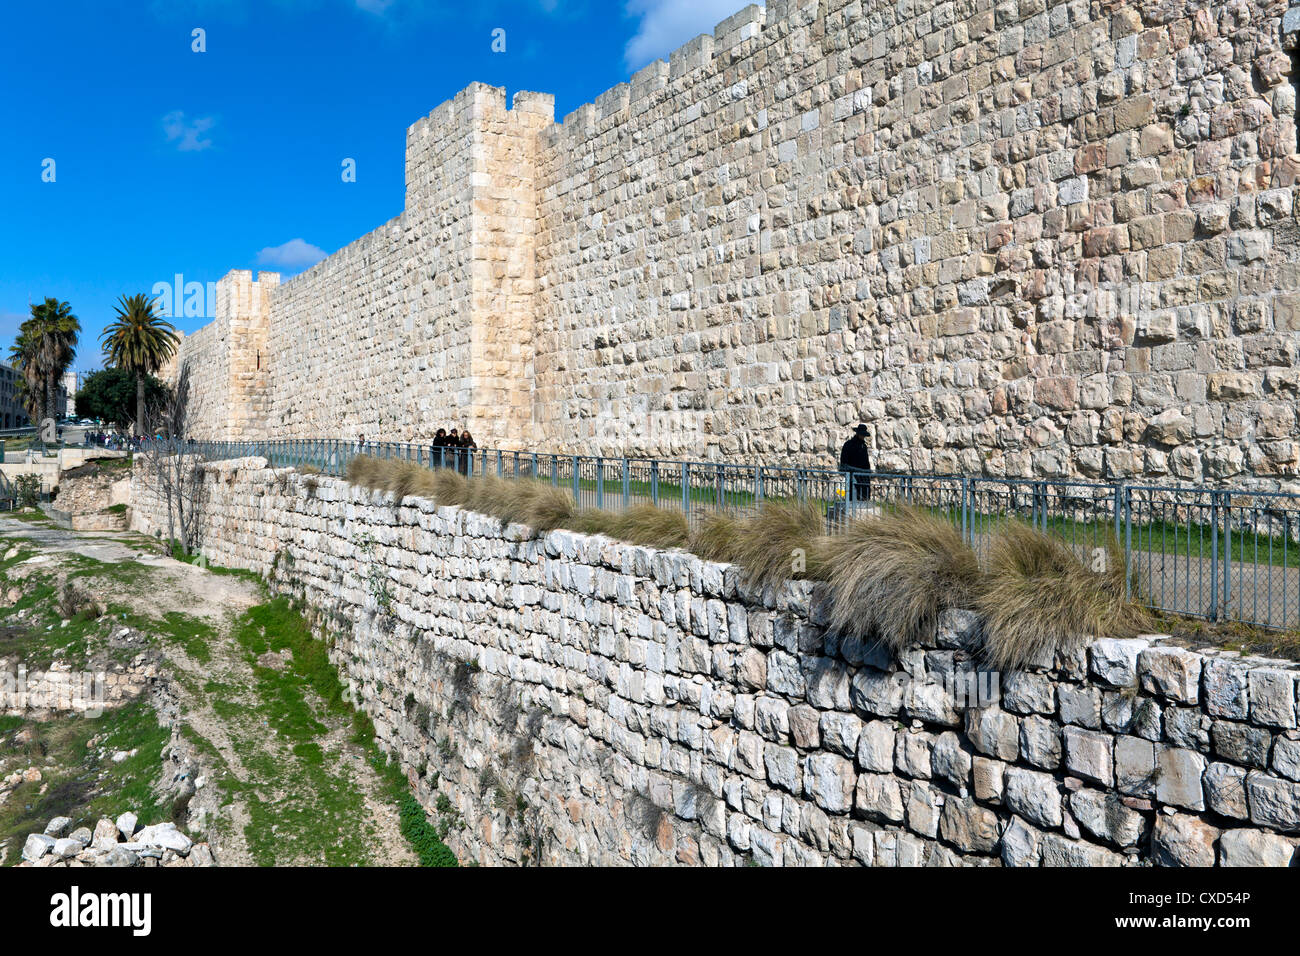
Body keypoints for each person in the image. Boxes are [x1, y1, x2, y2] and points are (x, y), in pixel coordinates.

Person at [839, 423, 872, 501]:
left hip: (863, 476)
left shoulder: (863, 446)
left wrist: (867, 471)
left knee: (864, 495)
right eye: (861, 435)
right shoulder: (848, 445)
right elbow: (844, 461)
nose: (863, 437)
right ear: (857, 434)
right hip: (852, 474)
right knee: (853, 494)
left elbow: (866, 461)